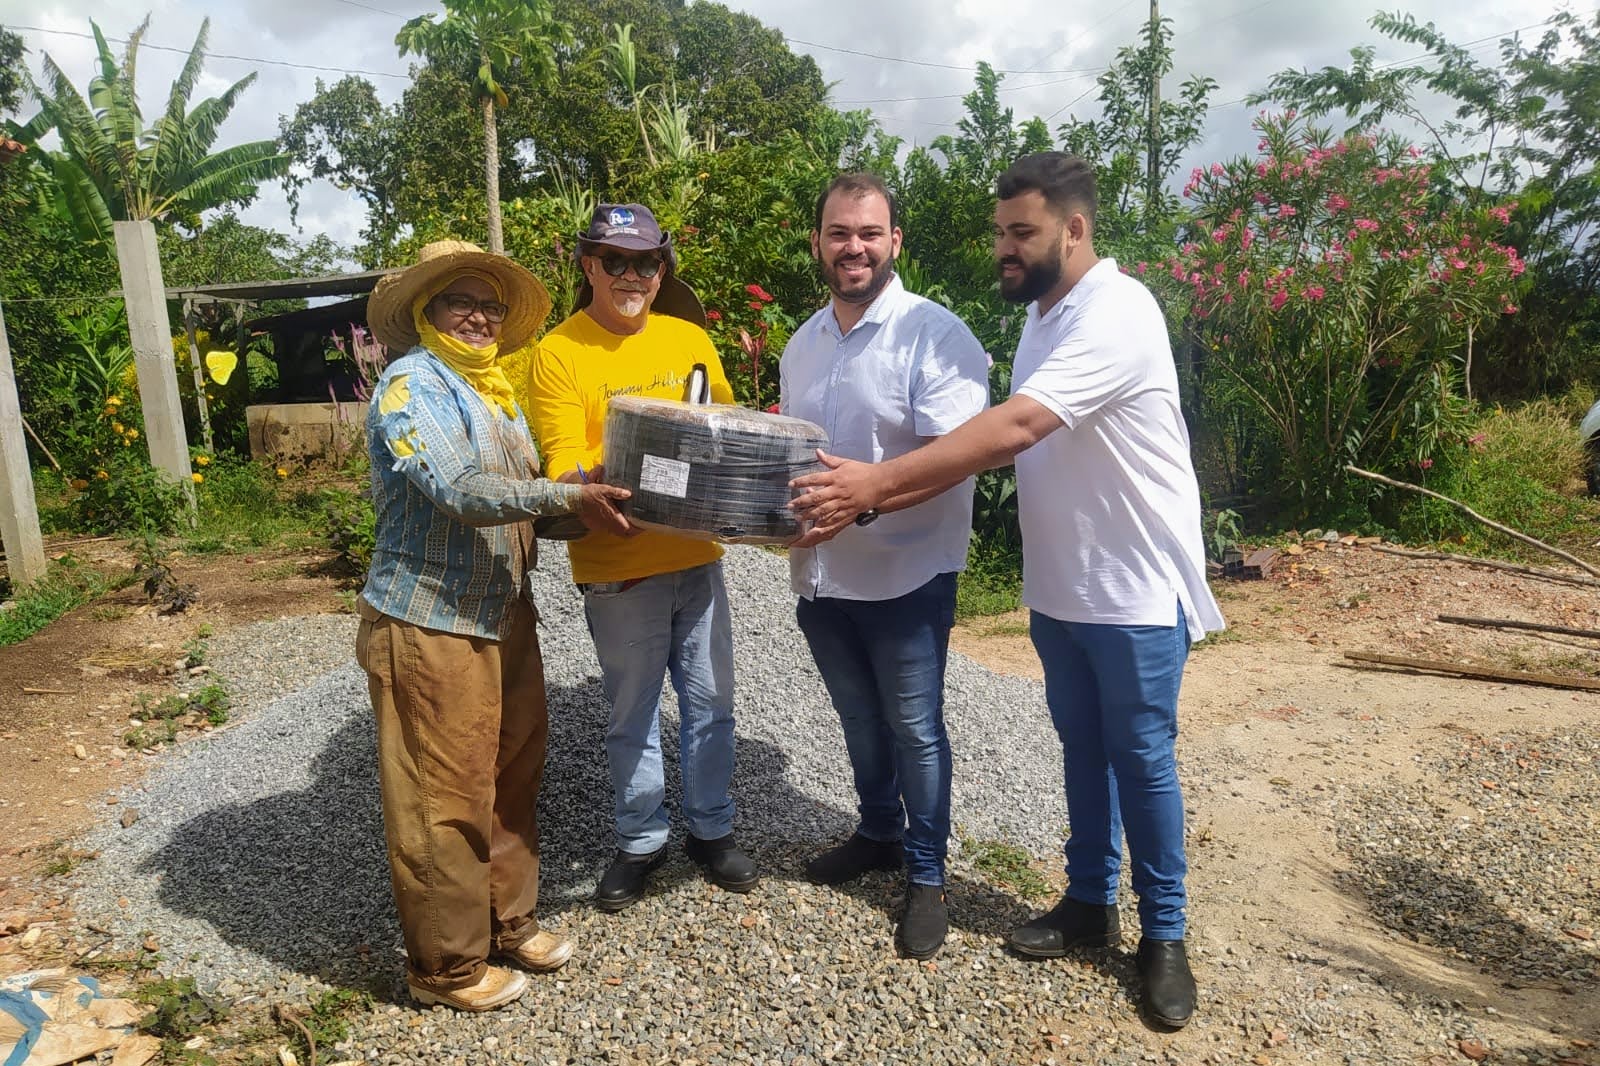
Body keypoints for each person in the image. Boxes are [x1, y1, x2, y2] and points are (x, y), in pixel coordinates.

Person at [789, 153, 1225, 1028]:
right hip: (1062, 587)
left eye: (1021, 232)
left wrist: (872, 485)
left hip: (1136, 588)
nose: (1004, 248)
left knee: (1141, 761)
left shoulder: (1120, 310)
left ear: (1075, 228)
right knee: (1080, 753)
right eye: (1000, 232)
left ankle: (1166, 935)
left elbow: (1016, 427)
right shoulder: (1040, 320)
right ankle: (1089, 901)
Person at [356, 240, 632, 1012]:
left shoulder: (493, 392)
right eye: (460, 301)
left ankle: (508, 923)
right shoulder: (411, 385)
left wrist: (597, 504)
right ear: (426, 310)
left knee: (511, 774)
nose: (478, 317)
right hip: (430, 620)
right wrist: (564, 496)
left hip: (503, 613)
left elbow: (525, 503)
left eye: (489, 305)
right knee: (443, 796)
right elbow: (461, 489)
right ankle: (444, 968)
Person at [524, 203, 759, 913]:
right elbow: (561, 463)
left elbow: (723, 432)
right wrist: (589, 486)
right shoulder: (559, 351)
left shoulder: (690, 338)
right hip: (619, 567)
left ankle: (711, 829)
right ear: (588, 265)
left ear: (662, 268)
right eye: (615, 261)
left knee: (712, 703)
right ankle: (641, 839)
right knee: (634, 712)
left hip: (698, 556)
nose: (631, 275)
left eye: (646, 261)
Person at [779, 173, 989, 959]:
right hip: (821, 576)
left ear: (895, 240)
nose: (854, 247)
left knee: (915, 729)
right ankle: (878, 833)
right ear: (818, 243)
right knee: (859, 720)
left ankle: (927, 876)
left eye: (870, 233)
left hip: (907, 575)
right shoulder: (802, 344)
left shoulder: (933, 334)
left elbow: (957, 457)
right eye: (840, 233)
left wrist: (866, 501)